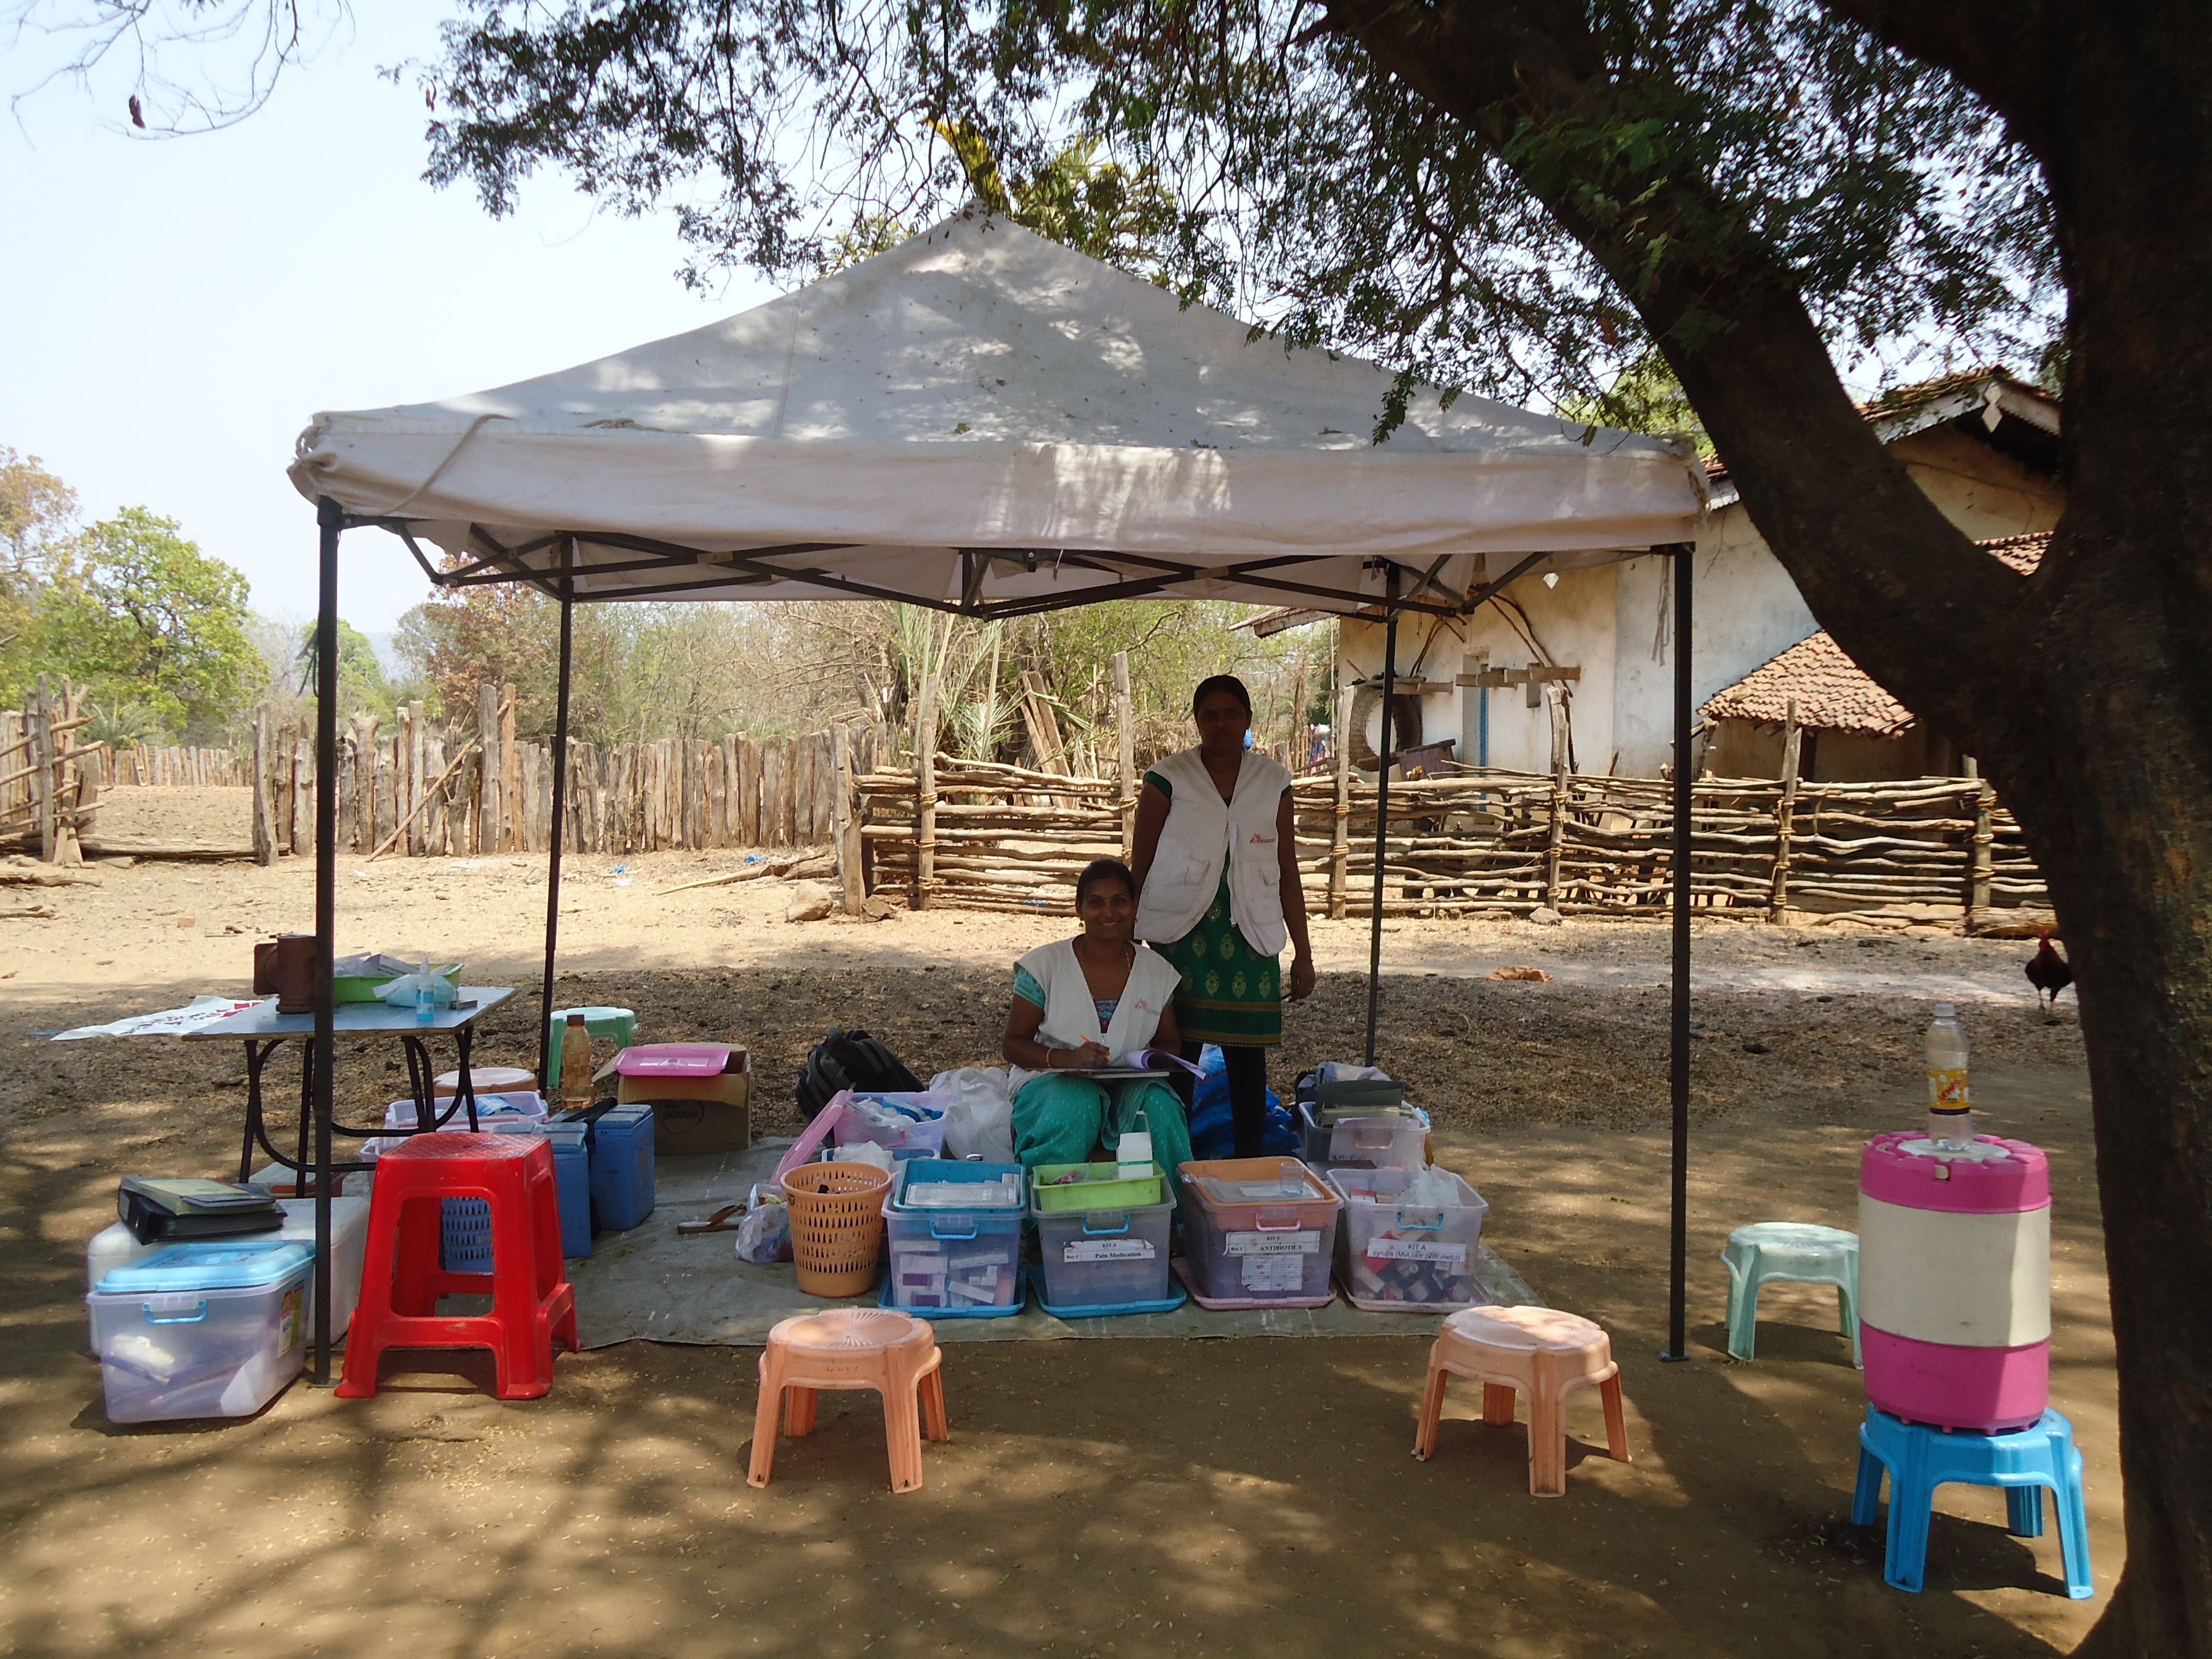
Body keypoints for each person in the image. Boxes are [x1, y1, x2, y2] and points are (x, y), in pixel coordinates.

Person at [1131, 674, 1316, 1158]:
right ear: (1197, 721)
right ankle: (1173, 1163)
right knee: (1179, 1058)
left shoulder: (1273, 782)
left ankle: (1248, 1166)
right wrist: (1126, 946)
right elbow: (1141, 865)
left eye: (1231, 713)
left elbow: (1288, 870)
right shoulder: (1166, 779)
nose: (1221, 723)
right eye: (1210, 714)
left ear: (1248, 719)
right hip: (1181, 933)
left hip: (1251, 931)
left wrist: (1304, 954)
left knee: (1247, 1062)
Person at [1001, 858, 1196, 1202]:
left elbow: (1170, 1041)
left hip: (1128, 1083)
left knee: (1160, 1106)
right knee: (1077, 1102)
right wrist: (1066, 1058)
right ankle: (1048, 1215)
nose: (1109, 912)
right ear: (1079, 909)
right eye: (1096, 902)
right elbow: (1014, 1046)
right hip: (1052, 1080)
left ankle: (1172, 1219)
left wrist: (1149, 1060)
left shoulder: (1156, 971)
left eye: (1120, 901)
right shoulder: (1045, 966)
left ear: (1135, 907)